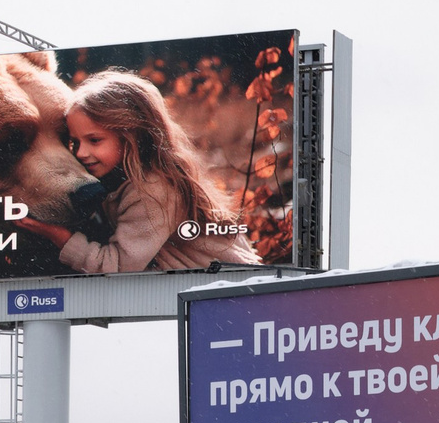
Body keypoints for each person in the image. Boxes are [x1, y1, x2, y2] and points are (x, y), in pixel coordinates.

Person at [19, 71, 262, 274]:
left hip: (228, 292)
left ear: (132, 137)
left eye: (94, 140)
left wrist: (61, 238)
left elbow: (118, 268)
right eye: (74, 142)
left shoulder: (152, 190)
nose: (81, 153)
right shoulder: (120, 177)